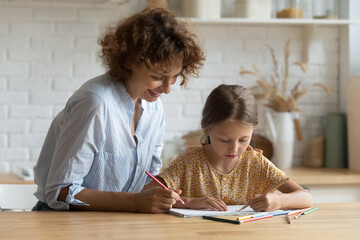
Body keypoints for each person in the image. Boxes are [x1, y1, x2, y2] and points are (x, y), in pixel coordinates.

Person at [32, 7, 205, 213]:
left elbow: (146, 183)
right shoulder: (95, 103)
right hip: (61, 221)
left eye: (174, 77)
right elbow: (59, 191)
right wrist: (135, 202)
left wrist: (179, 201)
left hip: (113, 220)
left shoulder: (154, 107)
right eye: (158, 77)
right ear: (130, 61)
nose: (167, 89)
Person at [145, 84, 312, 212]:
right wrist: (189, 202)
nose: (234, 148)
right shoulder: (189, 161)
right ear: (207, 130)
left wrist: (279, 201)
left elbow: (305, 197)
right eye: (225, 140)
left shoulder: (256, 163)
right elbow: (148, 194)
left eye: (244, 140)